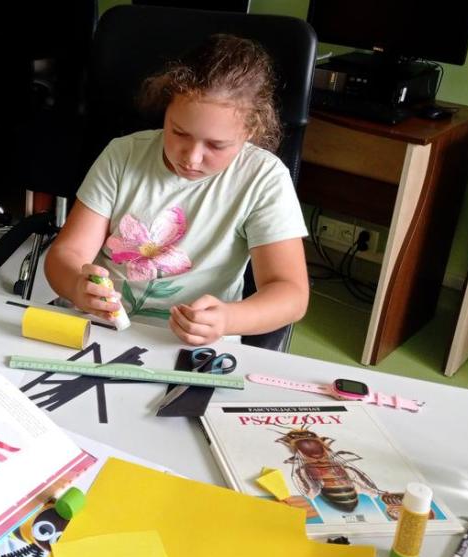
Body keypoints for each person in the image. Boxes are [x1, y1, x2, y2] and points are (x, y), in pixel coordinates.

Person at [45, 34, 308, 345]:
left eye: (216, 145)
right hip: (100, 329)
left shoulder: (263, 179)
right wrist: (77, 286)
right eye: (179, 132)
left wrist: (227, 319)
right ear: (167, 109)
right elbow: (67, 254)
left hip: (193, 344)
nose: (192, 158)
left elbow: (291, 294)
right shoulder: (123, 155)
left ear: (250, 130)